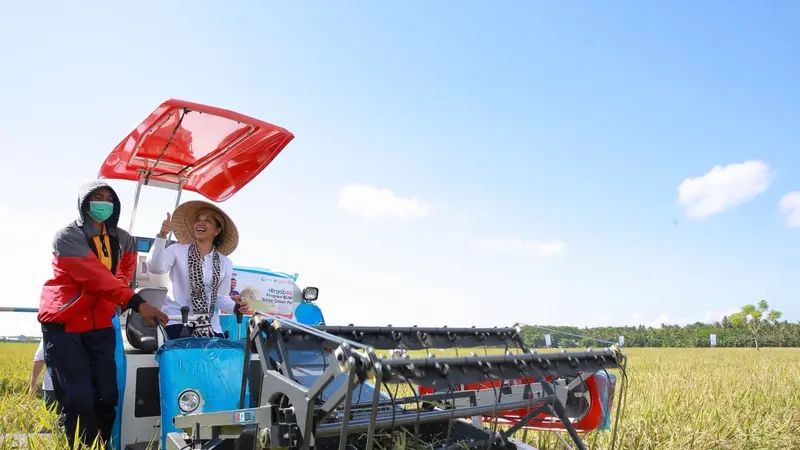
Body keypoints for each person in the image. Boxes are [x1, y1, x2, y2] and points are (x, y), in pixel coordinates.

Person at [37, 180, 168, 449]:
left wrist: (117, 300)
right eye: (98, 197)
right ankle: (76, 444)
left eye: (110, 199)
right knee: (79, 398)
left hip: (100, 324)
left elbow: (124, 273)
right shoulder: (66, 237)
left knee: (107, 395)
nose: (104, 203)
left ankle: (101, 443)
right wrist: (136, 302)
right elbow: (95, 277)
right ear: (84, 203)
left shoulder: (124, 239)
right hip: (66, 323)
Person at [146, 200, 247, 339]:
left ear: (217, 230)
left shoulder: (225, 263)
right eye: (198, 219)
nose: (200, 223)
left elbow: (220, 298)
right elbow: (155, 268)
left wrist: (236, 307)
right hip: (177, 320)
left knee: (217, 355)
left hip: (209, 324)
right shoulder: (177, 250)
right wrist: (162, 236)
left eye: (207, 220)